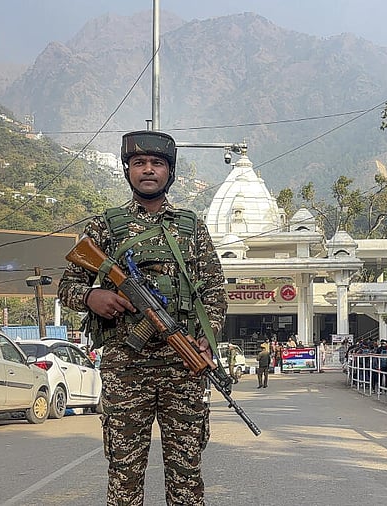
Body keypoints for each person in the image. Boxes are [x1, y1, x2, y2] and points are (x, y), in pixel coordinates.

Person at [57, 129, 227, 506]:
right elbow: (68, 285)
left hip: (182, 366)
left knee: (186, 473)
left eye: (157, 163)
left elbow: (214, 290)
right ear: (128, 171)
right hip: (125, 367)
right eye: (139, 163)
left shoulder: (191, 227)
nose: (148, 170)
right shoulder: (105, 226)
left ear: (170, 172)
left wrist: (207, 336)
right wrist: (92, 296)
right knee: (124, 471)